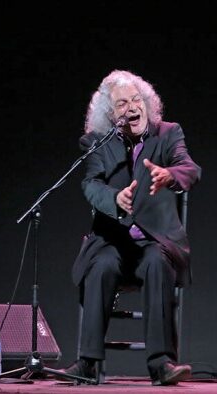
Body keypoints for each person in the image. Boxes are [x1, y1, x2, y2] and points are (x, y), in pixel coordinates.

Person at [61, 70, 201, 385]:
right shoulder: (98, 142)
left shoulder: (167, 134)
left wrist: (170, 175)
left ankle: (161, 364)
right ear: (112, 115)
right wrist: (114, 198)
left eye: (136, 99)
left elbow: (189, 168)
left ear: (146, 103)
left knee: (155, 262)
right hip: (114, 242)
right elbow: (91, 185)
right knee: (102, 265)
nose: (132, 107)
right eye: (122, 104)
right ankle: (88, 363)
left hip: (156, 243)